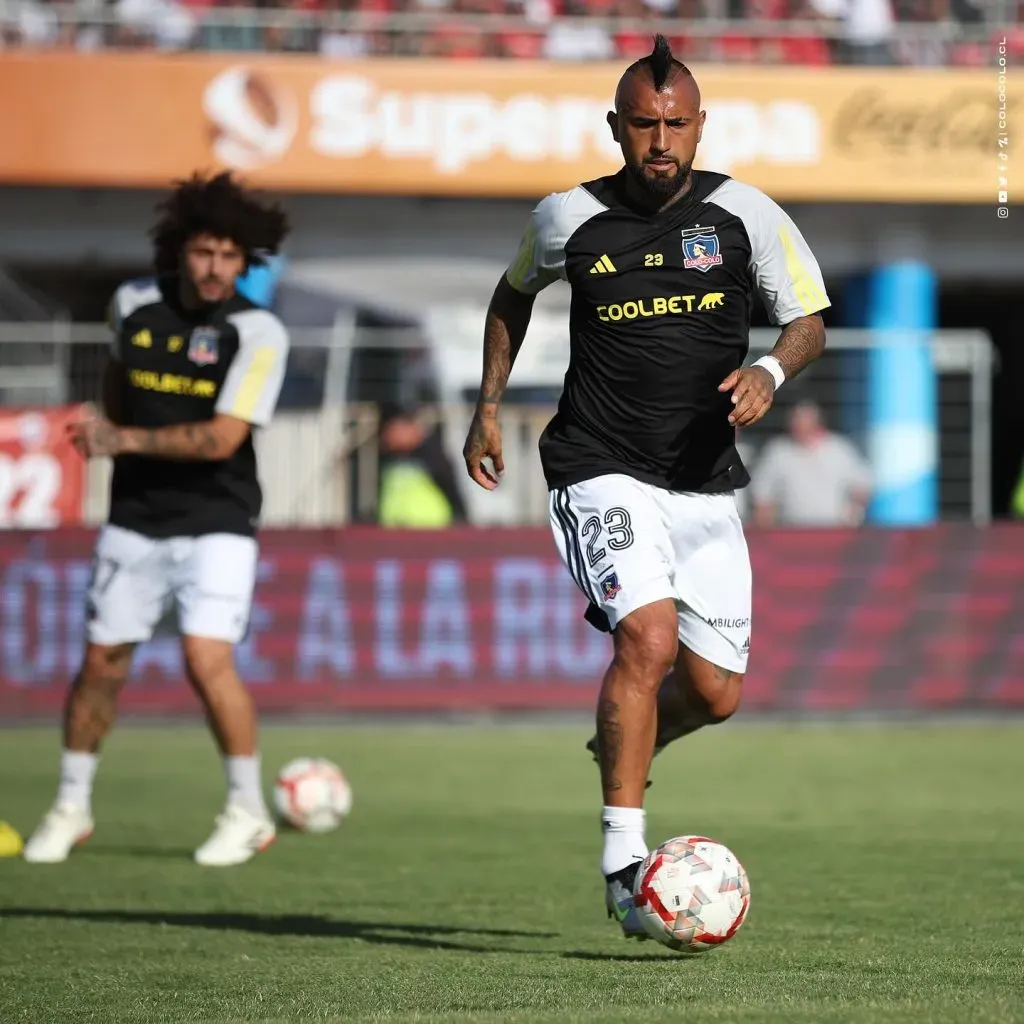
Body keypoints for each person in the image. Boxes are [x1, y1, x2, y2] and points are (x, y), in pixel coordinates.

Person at [462, 35, 829, 937]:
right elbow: (513, 295)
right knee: (648, 640)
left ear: (700, 125)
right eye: (642, 125)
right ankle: (625, 872)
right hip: (599, 464)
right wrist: (488, 405)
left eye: (675, 125)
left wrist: (769, 372)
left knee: (715, 694)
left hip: (703, 483)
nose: (660, 142)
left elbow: (808, 320)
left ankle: (626, 739)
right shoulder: (567, 217)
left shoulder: (746, 214)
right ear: (615, 127)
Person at [22, 172, 291, 867]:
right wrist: (114, 429)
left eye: (231, 256)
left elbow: (222, 439)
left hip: (220, 519)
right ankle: (70, 806)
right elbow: (116, 386)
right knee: (101, 664)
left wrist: (121, 438)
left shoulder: (257, 331)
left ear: (246, 260)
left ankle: (247, 810)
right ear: (179, 250)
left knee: (206, 657)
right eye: (204, 252)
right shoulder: (133, 304)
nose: (216, 268)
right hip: (135, 517)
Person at [752, 400, 873, 526]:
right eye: (796, 419)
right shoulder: (778, 451)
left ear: (817, 422)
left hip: (835, 529)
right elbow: (762, 495)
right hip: (791, 530)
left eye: (805, 420)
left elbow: (863, 484)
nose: (800, 424)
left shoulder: (839, 449)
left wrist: (853, 516)